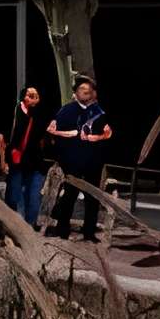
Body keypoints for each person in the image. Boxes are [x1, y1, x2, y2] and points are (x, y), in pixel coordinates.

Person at [47, 75, 113, 240]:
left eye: (89, 90)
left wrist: (98, 140)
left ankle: (89, 232)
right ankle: (62, 230)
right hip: (73, 162)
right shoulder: (66, 111)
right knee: (70, 195)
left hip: (93, 162)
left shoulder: (97, 111)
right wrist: (64, 160)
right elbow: (54, 134)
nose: (86, 92)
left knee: (92, 198)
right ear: (75, 92)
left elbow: (107, 134)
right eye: (82, 89)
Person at [0, 82, 52, 222]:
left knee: (33, 197)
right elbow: (2, 138)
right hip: (17, 160)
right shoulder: (15, 113)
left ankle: (29, 227)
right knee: (15, 196)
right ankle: (13, 225)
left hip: (35, 162)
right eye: (30, 95)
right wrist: (3, 161)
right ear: (23, 97)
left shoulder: (41, 114)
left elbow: (46, 136)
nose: (33, 98)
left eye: (36, 96)